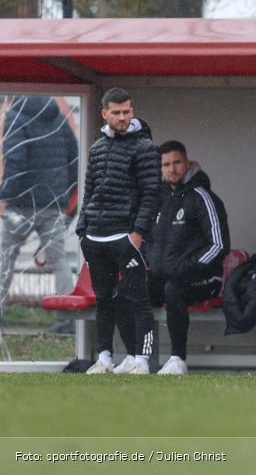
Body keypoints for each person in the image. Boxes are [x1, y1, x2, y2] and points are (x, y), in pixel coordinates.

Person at [118, 140, 230, 376]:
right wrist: (145, 265)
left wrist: (187, 267)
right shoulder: (156, 199)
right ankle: (138, 358)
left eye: (177, 162)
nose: (172, 169)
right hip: (165, 275)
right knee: (130, 290)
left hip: (204, 279)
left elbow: (219, 245)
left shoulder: (202, 196)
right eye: (166, 164)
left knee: (174, 289)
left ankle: (178, 360)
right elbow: (144, 241)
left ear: (187, 163)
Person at [76, 88, 160, 375]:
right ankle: (104, 358)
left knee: (139, 299)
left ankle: (143, 359)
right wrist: (82, 231)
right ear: (104, 114)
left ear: (132, 112)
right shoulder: (97, 148)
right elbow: (89, 192)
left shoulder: (145, 147)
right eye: (117, 112)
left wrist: (137, 234)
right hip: (96, 238)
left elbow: (152, 193)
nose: (123, 117)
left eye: (127, 112)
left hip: (125, 237)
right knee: (104, 300)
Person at [0, 96, 78, 332]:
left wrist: (4, 193)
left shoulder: (17, 117)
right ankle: (68, 320)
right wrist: (65, 194)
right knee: (59, 261)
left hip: (21, 204)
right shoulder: (60, 119)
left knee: (5, 260)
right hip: (52, 204)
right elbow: (74, 159)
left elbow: (15, 159)